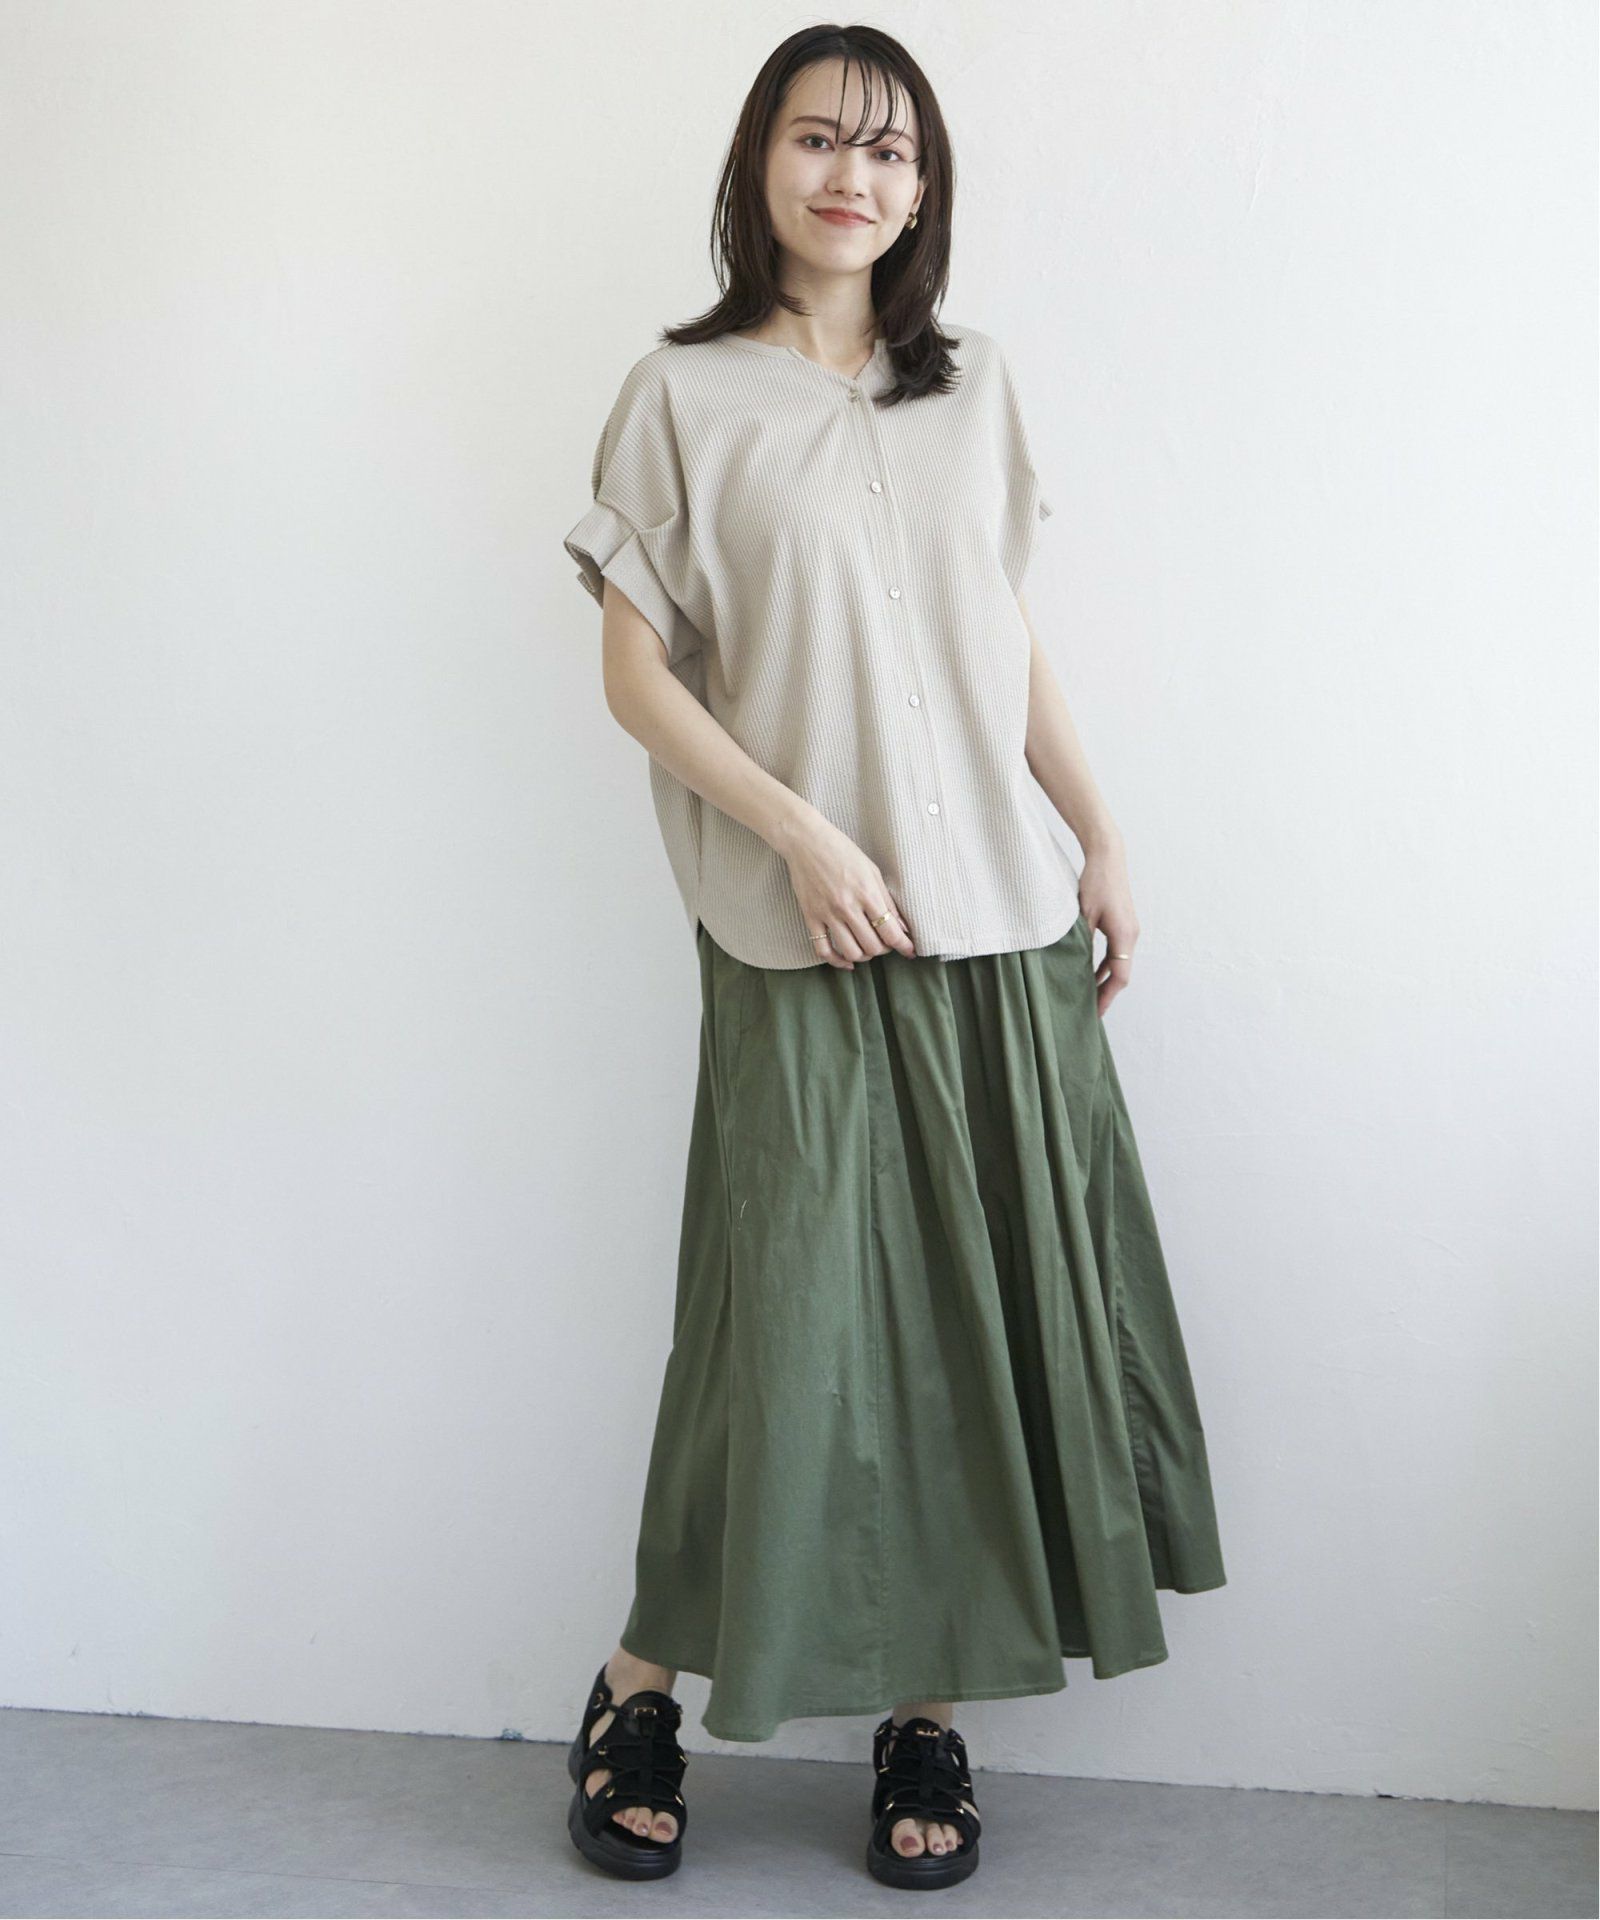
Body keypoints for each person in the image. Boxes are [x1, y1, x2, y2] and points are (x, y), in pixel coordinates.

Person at [558, 21, 1226, 1892]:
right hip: (799, 931)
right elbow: (634, 677)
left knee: (971, 1328)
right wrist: (800, 830)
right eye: (817, 139)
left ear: (924, 190)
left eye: (890, 150)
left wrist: (1101, 836)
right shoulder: (679, 396)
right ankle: (636, 1687)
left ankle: (929, 1715)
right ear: (757, 164)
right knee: (777, 1330)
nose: (852, 176)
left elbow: (1000, 636)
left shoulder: (974, 386)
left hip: (998, 919)